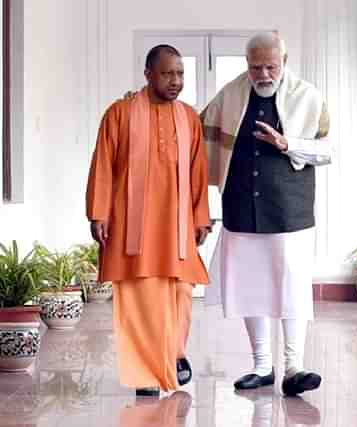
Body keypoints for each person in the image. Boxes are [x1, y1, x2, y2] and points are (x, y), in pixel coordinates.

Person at [202, 32, 332, 396]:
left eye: (270, 66)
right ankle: (262, 366)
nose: (262, 74)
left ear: (284, 62)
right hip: (241, 208)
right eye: (255, 66)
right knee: (248, 285)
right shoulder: (230, 94)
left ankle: (294, 367)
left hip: (288, 210)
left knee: (291, 284)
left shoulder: (308, 97)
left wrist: (287, 143)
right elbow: (196, 129)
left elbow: (327, 150)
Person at [86, 44, 210, 397]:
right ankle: (144, 373)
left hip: (177, 224)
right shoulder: (119, 113)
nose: (176, 81)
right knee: (141, 295)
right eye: (168, 73)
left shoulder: (189, 118)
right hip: (131, 224)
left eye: (181, 74)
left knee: (182, 291)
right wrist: (99, 212)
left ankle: (174, 355)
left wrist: (200, 216)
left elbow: (198, 172)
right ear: (148, 74)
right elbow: (104, 165)